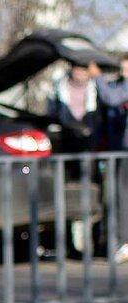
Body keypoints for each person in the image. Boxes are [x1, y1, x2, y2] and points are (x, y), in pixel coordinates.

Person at [90, 56, 128, 264]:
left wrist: (98, 78)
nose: (124, 72)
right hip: (118, 149)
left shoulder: (120, 88)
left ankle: (123, 243)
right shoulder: (119, 84)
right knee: (117, 196)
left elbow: (112, 98)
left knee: (122, 196)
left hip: (125, 150)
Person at [49, 62, 101, 150]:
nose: (80, 73)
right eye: (77, 70)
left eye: (83, 70)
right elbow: (52, 109)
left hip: (88, 132)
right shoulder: (60, 86)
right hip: (66, 131)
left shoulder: (95, 87)